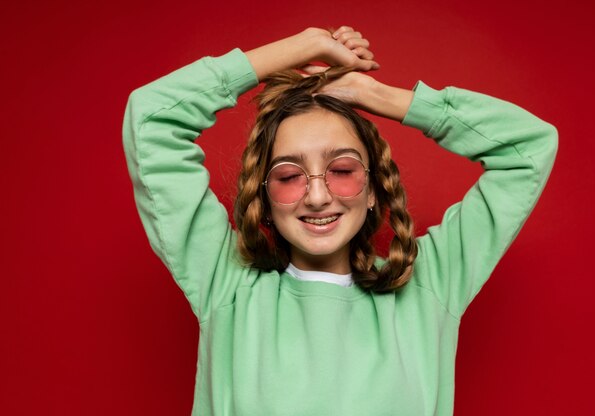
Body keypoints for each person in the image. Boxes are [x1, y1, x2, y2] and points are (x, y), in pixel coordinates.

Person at [122, 26, 557, 416]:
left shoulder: (430, 286)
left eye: (343, 170)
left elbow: (528, 150)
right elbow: (151, 118)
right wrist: (299, 48)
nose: (317, 195)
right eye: (290, 176)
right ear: (265, 198)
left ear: (373, 189)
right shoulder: (226, 286)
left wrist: (374, 96)